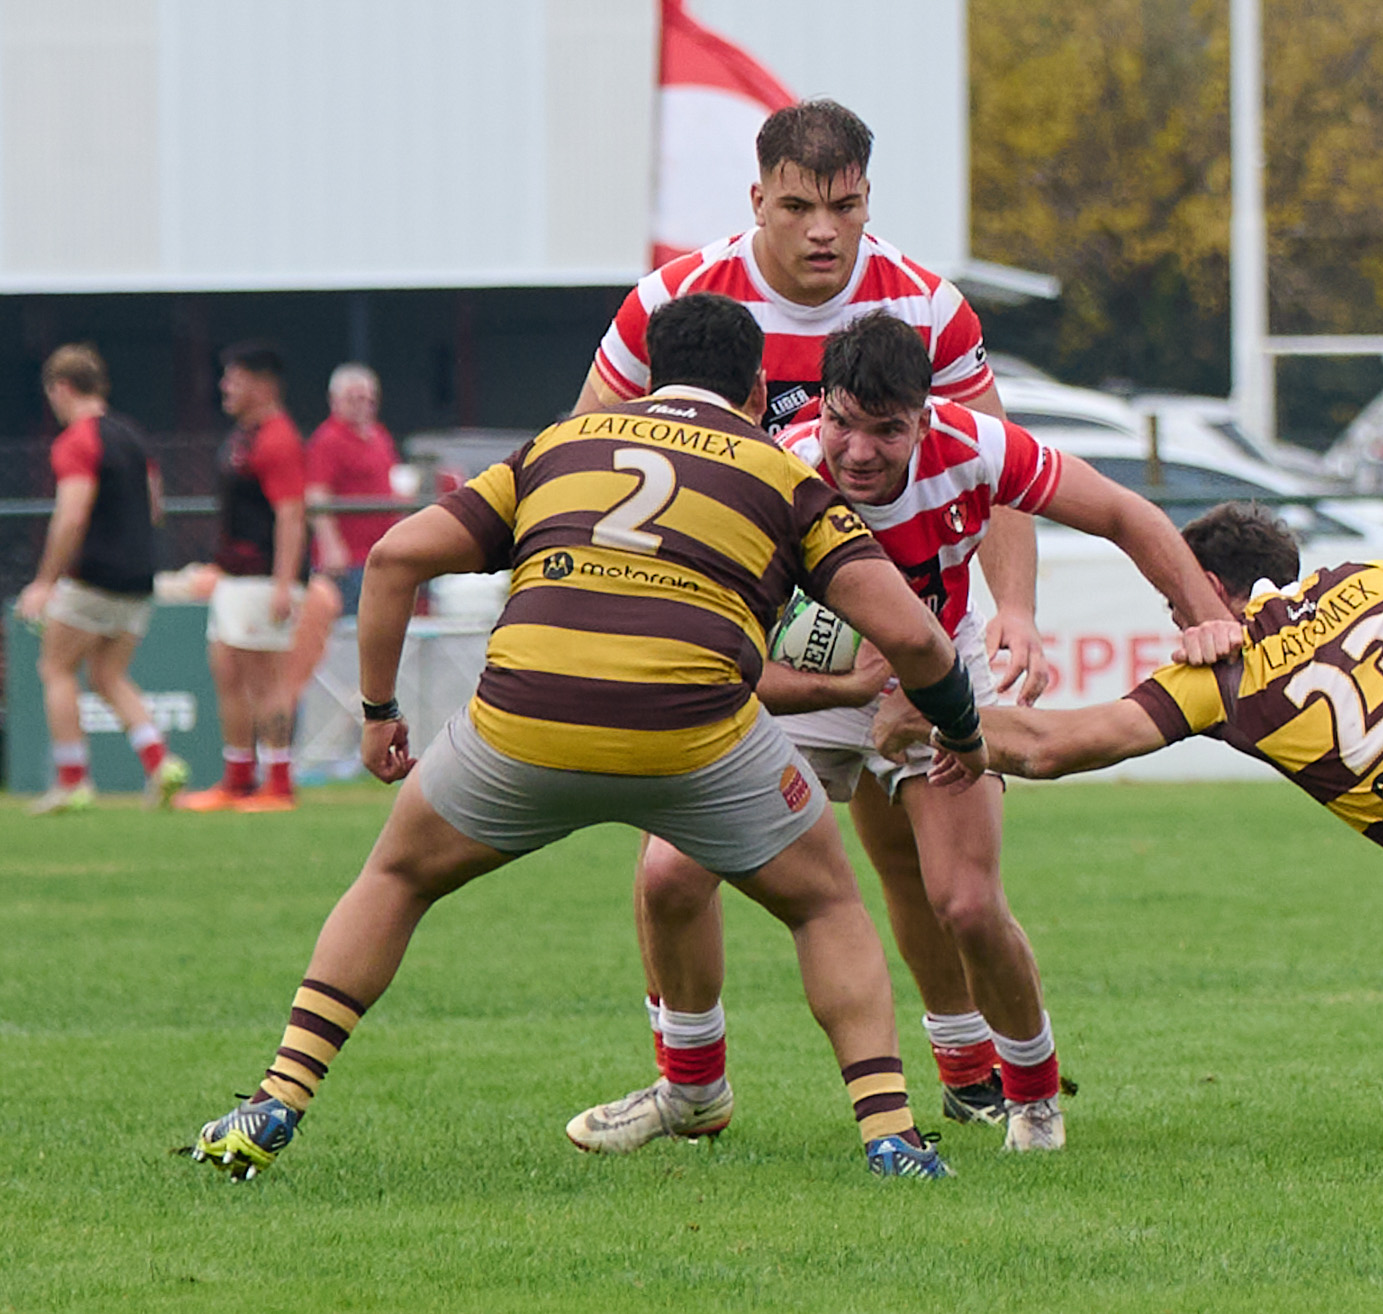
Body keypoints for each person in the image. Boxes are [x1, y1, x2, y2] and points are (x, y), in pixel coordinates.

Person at [181, 294, 992, 1183]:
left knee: (397, 877)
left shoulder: (560, 445)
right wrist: (962, 729)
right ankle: (888, 1134)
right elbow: (914, 638)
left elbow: (393, 559)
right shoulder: (780, 473)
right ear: (760, 391)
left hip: (527, 722)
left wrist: (379, 717)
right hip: (694, 740)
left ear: (645, 378)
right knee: (827, 906)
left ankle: (278, 1097)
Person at [569, 313, 1238, 1154]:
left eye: (886, 431)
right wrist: (834, 691)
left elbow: (1125, 513)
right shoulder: (776, 472)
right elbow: (723, 664)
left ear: (924, 417)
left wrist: (1206, 618)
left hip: (932, 680)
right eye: (842, 422)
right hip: (804, 684)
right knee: (667, 872)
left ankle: (1031, 1099)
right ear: (818, 409)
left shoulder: (974, 445)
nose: (857, 452)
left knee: (966, 903)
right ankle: (691, 1088)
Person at [877, 501, 1383, 1138]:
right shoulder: (1376, 575)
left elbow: (1062, 745)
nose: (1176, 621)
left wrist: (936, 710)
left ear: (1214, 591)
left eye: (1176, 597)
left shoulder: (1225, 672)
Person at [574, 97, 1060, 1112]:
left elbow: (1006, 469)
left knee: (935, 878)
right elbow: (585, 455)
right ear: (758, 198)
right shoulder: (677, 302)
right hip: (762, 644)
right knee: (672, 874)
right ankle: (688, 1084)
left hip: (917, 641)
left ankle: (973, 1073)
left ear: (866, 197)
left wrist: (1013, 608)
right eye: (798, 206)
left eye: (842, 205)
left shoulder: (929, 304)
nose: (824, 230)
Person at [18, 343, 189, 813]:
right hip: (139, 577)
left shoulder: (76, 440)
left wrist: (45, 582)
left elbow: (71, 516)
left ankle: (73, 781)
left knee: (56, 669)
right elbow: (154, 507)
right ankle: (160, 763)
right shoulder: (134, 436)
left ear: (61, 387)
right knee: (109, 674)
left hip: (93, 576)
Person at [174, 343, 309, 814]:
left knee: (266, 680)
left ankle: (279, 784)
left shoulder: (278, 438)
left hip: (262, 578)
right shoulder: (243, 436)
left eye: (233, 379)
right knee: (227, 672)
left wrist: (283, 583)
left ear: (261, 383)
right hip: (234, 577)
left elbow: (291, 513)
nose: (224, 388)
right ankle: (236, 779)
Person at [305, 363, 402, 618]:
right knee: (346, 627)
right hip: (348, 560)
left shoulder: (380, 436)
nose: (362, 405)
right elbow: (316, 495)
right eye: (353, 399)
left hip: (380, 552)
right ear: (334, 400)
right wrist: (331, 546)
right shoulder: (327, 440)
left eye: (368, 399)